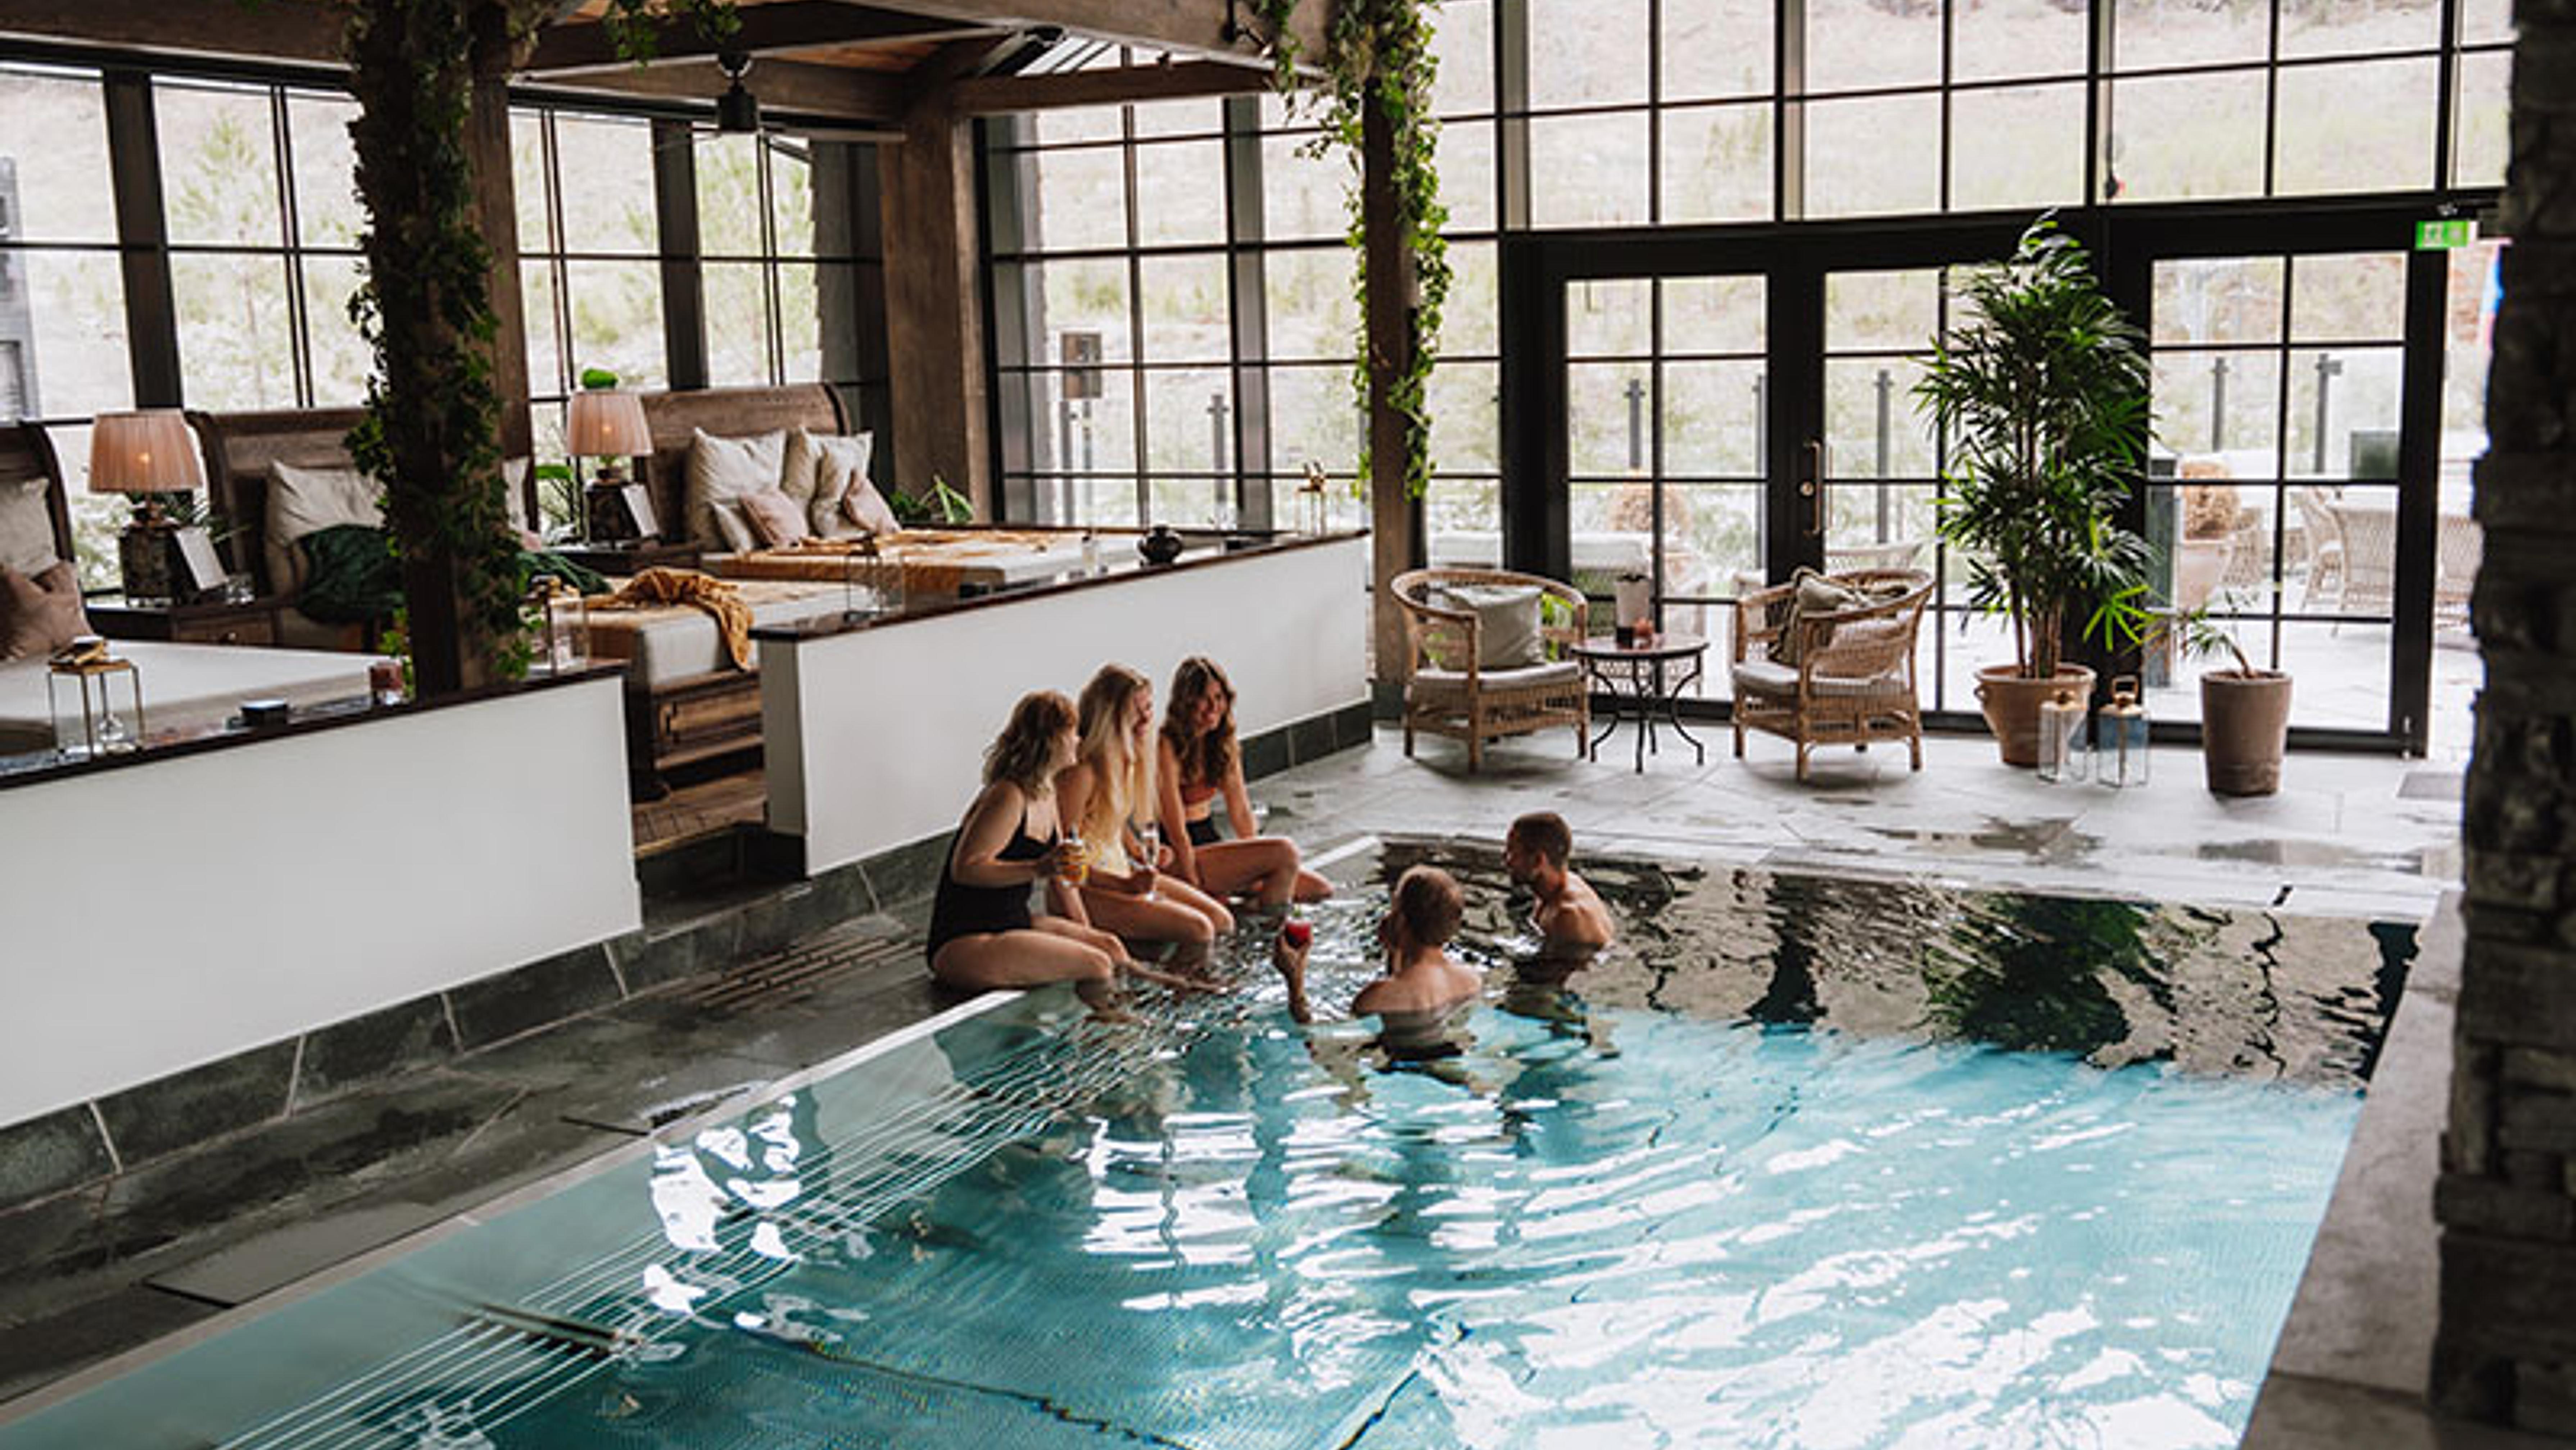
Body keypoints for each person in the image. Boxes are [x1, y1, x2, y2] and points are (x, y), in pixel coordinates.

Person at [925, 690, 1194, 1015]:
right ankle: (1112, 1042)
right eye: (1072, 734)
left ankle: (1167, 992)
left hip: (1013, 921)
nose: (1079, 741)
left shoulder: (1047, 793)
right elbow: (967, 868)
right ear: (1052, 740)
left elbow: (1067, 873)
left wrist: (1119, 892)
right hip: (964, 940)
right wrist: (1038, 868)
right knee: (1096, 965)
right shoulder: (1008, 796)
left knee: (1109, 946)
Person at [1056, 664, 1237, 964]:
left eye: (1149, 707)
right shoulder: (1083, 773)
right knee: (1200, 929)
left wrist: (1138, 850)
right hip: (1089, 889)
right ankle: (1177, 999)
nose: (1146, 717)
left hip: (1123, 874)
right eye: (1135, 710)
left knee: (1222, 920)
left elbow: (1110, 823)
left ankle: (1182, 986)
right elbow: (1062, 866)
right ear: (1111, 715)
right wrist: (1125, 887)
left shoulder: (1128, 759)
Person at [1156, 656, 1331, 908]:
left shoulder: (1222, 743)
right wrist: (1191, 882)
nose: (1212, 707)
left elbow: (1240, 811)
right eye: (1204, 699)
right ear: (1186, 702)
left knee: (1317, 888)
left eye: (1219, 698)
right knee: (1285, 852)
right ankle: (1265, 933)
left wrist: (1259, 862)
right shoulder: (1167, 745)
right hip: (1178, 853)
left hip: (1210, 842)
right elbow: (1175, 830)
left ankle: (1258, 918)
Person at [1271, 865, 1479, 1030]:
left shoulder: (1375, 998)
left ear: (1402, 921)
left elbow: (1316, 1040)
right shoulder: (1471, 981)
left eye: (1394, 908)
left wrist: (1295, 981)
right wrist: (1395, 951)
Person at [1500, 811, 1617, 966]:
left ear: (1537, 861)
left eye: (1512, 853)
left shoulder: (1568, 916)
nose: (1506, 861)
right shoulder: (1553, 886)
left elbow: (1554, 979)